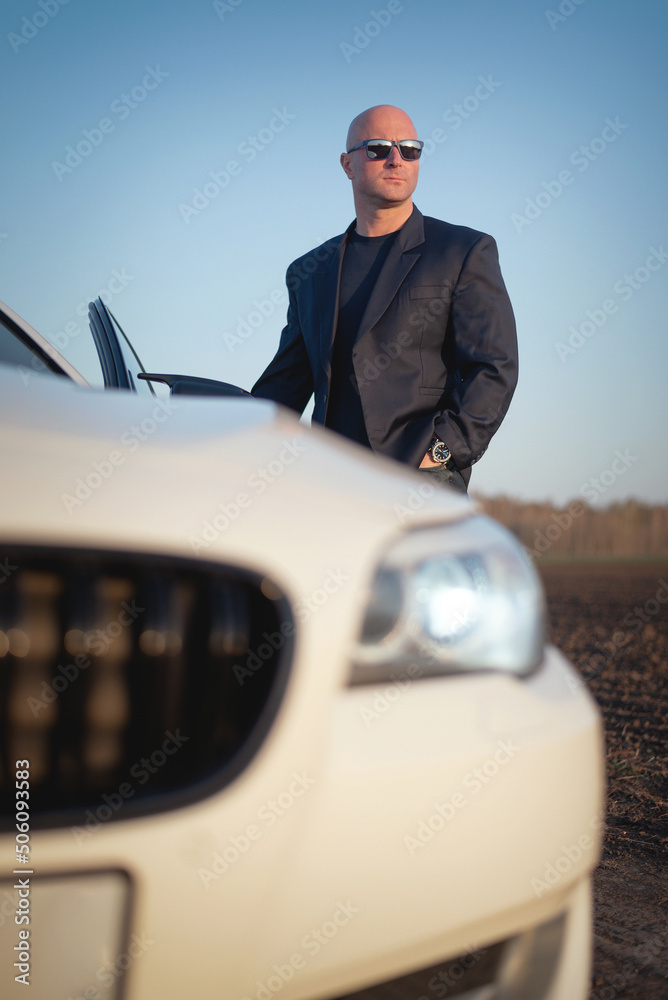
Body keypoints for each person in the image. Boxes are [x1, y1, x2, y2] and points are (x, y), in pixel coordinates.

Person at [252, 104, 518, 493]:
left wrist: (443, 451)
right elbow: (287, 384)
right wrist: (225, 423)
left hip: (421, 478)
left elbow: (495, 366)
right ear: (347, 164)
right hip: (328, 483)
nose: (396, 159)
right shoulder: (309, 272)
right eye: (377, 148)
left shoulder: (463, 251)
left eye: (409, 149)